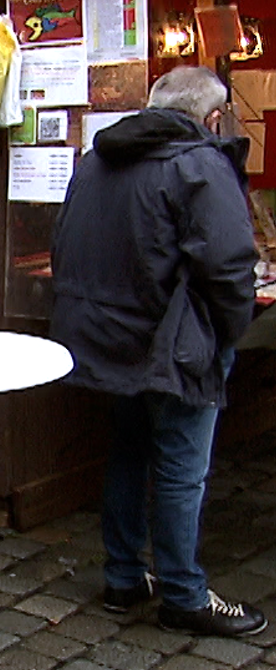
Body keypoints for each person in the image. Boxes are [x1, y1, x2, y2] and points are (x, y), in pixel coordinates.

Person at [50, 65, 264, 637]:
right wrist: (229, 331)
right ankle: (183, 595)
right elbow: (230, 266)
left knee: (129, 451)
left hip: (109, 337)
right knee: (179, 468)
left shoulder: (96, 160)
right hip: (175, 343)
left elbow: (65, 243)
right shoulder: (201, 163)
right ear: (212, 117)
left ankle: (124, 577)